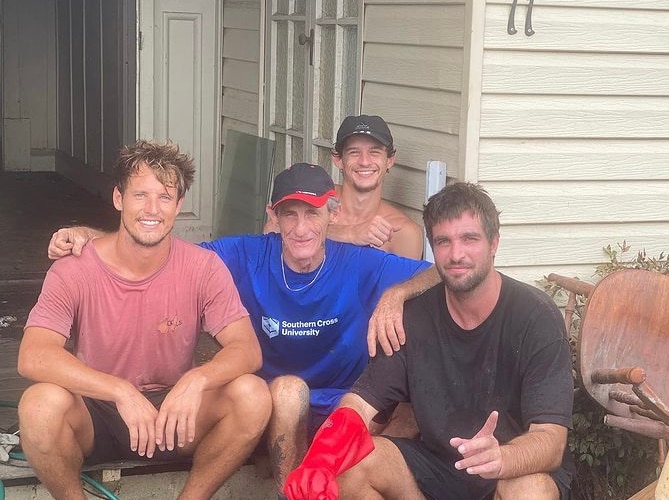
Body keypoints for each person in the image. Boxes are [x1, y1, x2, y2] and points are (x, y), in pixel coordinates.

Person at [46, 162, 438, 496]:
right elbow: (165, 247)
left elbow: (441, 273)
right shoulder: (247, 254)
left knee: (407, 405)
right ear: (274, 216)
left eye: (313, 213)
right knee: (287, 390)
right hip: (276, 407)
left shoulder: (364, 263)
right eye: (290, 214)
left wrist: (396, 294)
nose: (301, 228)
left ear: (331, 216)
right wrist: (92, 237)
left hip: (345, 405)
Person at [284, 182, 575, 500]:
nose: (456, 254)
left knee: (530, 491)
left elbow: (551, 440)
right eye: (443, 242)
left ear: (494, 243)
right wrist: (321, 460)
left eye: (470, 239)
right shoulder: (413, 317)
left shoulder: (535, 316)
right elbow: (360, 404)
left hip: (510, 471)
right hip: (438, 470)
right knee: (353, 464)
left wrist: (501, 458)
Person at [18, 140, 272, 500]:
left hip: (174, 412)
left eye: (165, 197)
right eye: (140, 195)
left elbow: (247, 349)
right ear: (119, 198)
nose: (152, 209)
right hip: (97, 411)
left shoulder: (203, 267)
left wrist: (197, 380)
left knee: (253, 395)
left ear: (179, 205)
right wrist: (119, 390)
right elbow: (34, 355)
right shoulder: (74, 268)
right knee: (38, 406)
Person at [266, 114, 424, 260]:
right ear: (338, 159)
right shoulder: (314, 198)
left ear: (390, 160)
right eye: (354, 152)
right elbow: (273, 230)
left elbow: (404, 289)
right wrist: (350, 234)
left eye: (374, 152)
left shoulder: (402, 232)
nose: (364, 161)